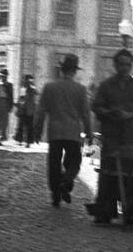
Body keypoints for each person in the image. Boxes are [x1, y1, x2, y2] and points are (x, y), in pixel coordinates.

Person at [88, 49, 133, 226]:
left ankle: (132, 214)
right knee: (108, 174)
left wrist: (129, 115)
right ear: (115, 65)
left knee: (131, 176)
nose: (124, 68)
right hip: (111, 137)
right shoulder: (106, 85)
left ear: (131, 66)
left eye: (127, 64)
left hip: (131, 137)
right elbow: (96, 107)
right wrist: (110, 113)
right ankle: (105, 212)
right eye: (121, 64)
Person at [36, 55, 92, 208]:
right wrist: (89, 132)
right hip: (72, 132)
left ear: (62, 70)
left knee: (54, 163)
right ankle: (67, 180)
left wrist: (37, 129)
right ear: (74, 71)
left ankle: (55, 195)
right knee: (74, 161)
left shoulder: (49, 87)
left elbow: (41, 111)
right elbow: (86, 114)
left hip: (54, 132)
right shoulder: (80, 89)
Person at [15, 75, 38, 146]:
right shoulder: (23, 89)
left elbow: (37, 94)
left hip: (30, 110)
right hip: (23, 110)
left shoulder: (33, 89)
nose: (29, 82)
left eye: (30, 81)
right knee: (21, 125)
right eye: (28, 81)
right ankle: (19, 140)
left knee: (30, 127)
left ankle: (29, 142)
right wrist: (19, 108)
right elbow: (21, 99)